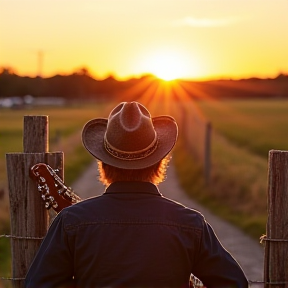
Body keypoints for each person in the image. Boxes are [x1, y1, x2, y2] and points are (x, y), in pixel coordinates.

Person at [25, 101, 248, 288]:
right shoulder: (191, 224)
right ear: (160, 162)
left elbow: (38, 285)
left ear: (103, 164)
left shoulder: (71, 221)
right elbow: (234, 283)